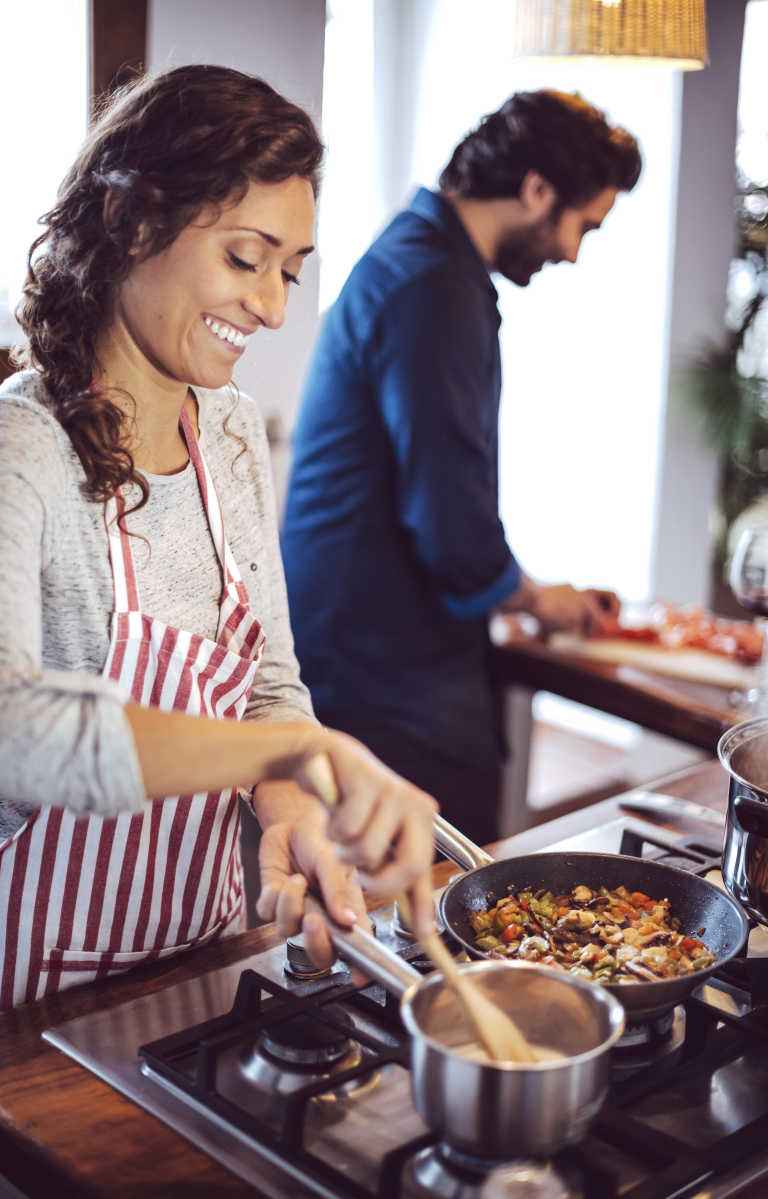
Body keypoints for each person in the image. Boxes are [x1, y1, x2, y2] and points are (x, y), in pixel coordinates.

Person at [0, 65, 437, 1021]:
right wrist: (302, 751)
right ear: (134, 222)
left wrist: (290, 804)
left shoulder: (225, 430)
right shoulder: (12, 446)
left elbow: (266, 676)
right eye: (245, 257)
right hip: (21, 1000)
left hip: (194, 953)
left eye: (290, 270)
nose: (272, 306)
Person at [282, 90, 642, 846]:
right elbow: (448, 511)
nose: (573, 250)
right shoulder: (434, 284)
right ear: (537, 190)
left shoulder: (419, 255)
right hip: (383, 654)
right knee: (445, 871)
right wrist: (536, 596)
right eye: (584, 224)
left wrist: (520, 591)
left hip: (355, 632)